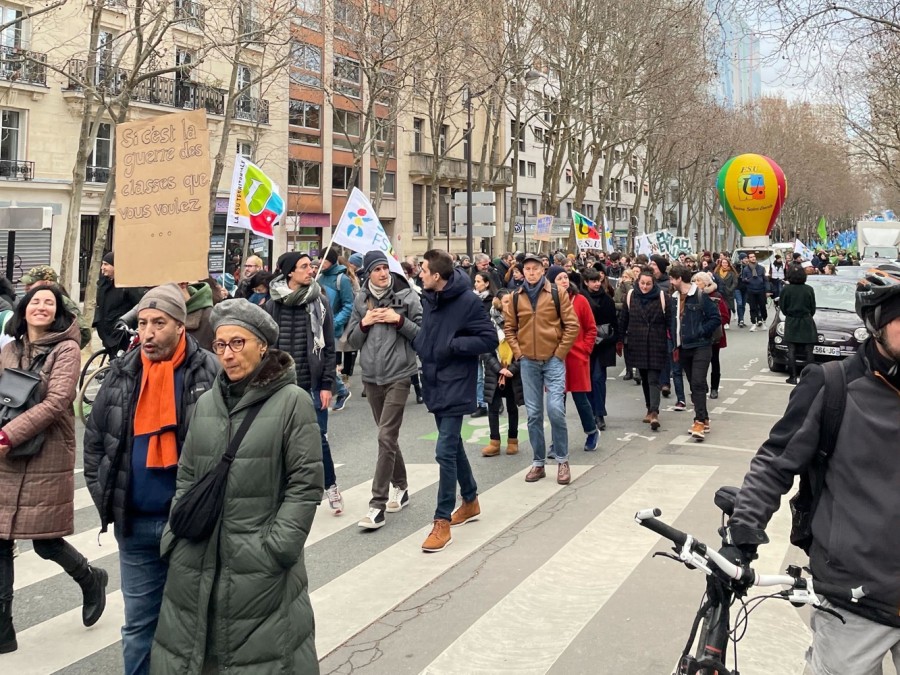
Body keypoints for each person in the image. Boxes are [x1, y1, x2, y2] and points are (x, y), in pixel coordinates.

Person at [721, 265, 900, 675]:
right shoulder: (832, 386)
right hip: (855, 600)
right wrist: (744, 533)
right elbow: (775, 461)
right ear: (876, 323)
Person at [150, 300, 323, 674]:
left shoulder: (292, 402)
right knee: (197, 655)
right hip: (196, 559)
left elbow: (306, 485)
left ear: (262, 346)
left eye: (238, 343)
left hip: (259, 566)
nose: (227, 355)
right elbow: (188, 475)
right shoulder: (207, 403)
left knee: (261, 659)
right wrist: (174, 535)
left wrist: (277, 548)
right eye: (220, 345)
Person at [83, 284, 219, 675]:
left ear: (181, 326)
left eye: (159, 322)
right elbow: (95, 445)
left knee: (194, 625)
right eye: (142, 323)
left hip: (190, 525)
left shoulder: (209, 371)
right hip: (135, 524)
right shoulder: (122, 372)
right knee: (139, 626)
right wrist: (106, 498)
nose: (148, 332)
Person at [0, 286, 109, 654]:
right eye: (35, 301)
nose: (41, 307)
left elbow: (58, 401)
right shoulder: (9, 349)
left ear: (58, 311)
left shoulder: (67, 349)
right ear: (24, 309)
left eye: (49, 302)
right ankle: (3, 629)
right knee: (0, 538)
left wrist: (8, 434)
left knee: (45, 541)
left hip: (45, 450)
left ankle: (91, 578)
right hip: (6, 451)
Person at [413, 249, 497, 552]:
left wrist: (454, 345)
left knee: (444, 450)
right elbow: (428, 335)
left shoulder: (468, 302)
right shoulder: (430, 297)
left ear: (437, 275)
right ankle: (471, 499)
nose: (420, 273)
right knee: (453, 446)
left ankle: (442, 520)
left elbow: (489, 339)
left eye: (423, 269)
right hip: (435, 380)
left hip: (457, 383)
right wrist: (423, 344)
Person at [345, 251, 423, 530]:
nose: (382, 273)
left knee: (385, 436)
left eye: (385, 268)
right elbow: (352, 340)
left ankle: (376, 505)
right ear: (368, 273)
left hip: (400, 374)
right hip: (371, 377)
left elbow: (422, 334)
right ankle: (401, 487)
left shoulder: (408, 296)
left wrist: (397, 319)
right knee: (386, 437)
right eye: (376, 269)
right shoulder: (360, 299)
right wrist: (365, 323)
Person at [266, 252, 343, 516]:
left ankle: (330, 485)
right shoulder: (272, 304)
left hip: (311, 383)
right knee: (279, 442)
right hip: (280, 385)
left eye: (310, 265)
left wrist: (326, 385)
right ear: (289, 273)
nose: (310, 270)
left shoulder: (319, 302)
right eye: (304, 266)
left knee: (318, 439)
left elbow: (329, 347)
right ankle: (285, 495)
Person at [503, 254, 579, 485]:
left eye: (535, 268)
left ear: (543, 270)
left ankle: (562, 460)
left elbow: (572, 325)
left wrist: (560, 353)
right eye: (527, 269)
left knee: (556, 409)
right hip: (528, 361)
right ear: (523, 272)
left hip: (553, 359)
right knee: (534, 414)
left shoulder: (557, 293)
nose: (531, 272)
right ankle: (538, 463)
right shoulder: (515, 297)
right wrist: (519, 353)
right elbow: (509, 329)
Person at [548, 266, 600, 451]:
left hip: (577, 357)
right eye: (559, 278)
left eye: (565, 277)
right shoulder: (547, 301)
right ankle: (557, 442)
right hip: (554, 359)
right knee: (556, 403)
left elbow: (591, 328)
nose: (564, 280)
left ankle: (592, 431)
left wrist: (585, 349)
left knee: (581, 400)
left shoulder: (580, 301)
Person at [669, 265, 722, 440]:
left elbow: (715, 318)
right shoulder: (674, 299)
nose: (670, 282)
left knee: (698, 382)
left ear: (678, 279)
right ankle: (705, 418)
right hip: (683, 347)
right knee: (693, 383)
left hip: (701, 346)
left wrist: (701, 331)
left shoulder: (700, 296)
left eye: (672, 279)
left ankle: (698, 421)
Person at [617, 268, 669, 430]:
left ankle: (654, 412)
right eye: (642, 283)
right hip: (637, 342)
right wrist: (619, 341)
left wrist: (673, 343)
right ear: (637, 283)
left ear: (653, 284)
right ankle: (648, 407)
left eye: (648, 284)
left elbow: (670, 322)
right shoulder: (631, 296)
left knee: (653, 378)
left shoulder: (662, 297)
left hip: (656, 342)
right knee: (645, 378)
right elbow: (623, 320)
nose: (645, 287)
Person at [481, 290, 524, 457]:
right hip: (494, 370)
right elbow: (484, 349)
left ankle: (513, 440)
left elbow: (525, 348)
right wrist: (498, 368)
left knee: (512, 407)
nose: (509, 305)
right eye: (505, 301)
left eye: (511, 301)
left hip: (513, 370)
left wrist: (511, 369)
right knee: (493, 407)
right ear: (497, 302)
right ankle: (494, 442)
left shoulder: (519, 322)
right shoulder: (488, 323)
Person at [19, 265, 92, 348]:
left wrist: (64, 349)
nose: (26, 288)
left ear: (47, 283)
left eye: (31, 283)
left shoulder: (62, 301)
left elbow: (85, 332)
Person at [319, 248, 355, 412]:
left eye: (324, 259)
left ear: (332, 261)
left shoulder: (342, 279)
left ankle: (341, 391)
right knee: (320, 362)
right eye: (320, 259)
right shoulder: (319, 277)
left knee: (325, 362)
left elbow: (349, 305)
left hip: (332, 329)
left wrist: (335, 323)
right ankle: (339, 390)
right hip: (318, 325)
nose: (321, 262)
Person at [583, 267, 618, 430]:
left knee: (598, 378)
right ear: (586, 282)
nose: (597, 284)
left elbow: (614, 323)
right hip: (585, 345)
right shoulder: (581, 299)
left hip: (603, 344)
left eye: (599, 281)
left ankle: (599, 413)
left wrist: (612, 339)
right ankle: (590, 411)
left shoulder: (607, 300)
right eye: (593, 281)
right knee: (587, 380)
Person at [94, 253, 146, 353]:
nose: (102, 267)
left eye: (106, 264)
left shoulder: (127, 285)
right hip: (107, 333)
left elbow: (139, 305)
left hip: (121, 335)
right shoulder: (103, 284)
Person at [693, 272, 730, 400]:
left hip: (714, 335)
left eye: (698, 281)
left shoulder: (716, 296)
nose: (696, 283)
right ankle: (703, 386)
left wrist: (710, 326)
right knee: (700, 362)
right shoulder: (693, 296)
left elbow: (724, 316)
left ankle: (714, 388)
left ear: (706, 283)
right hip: (699, 335)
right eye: (695, 280)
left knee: (714, 361)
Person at [779, 264, 817, 385]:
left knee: (791, 350)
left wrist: (790, 314)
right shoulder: (809, 289)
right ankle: (809, 377)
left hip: (792, 320)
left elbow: (783, 307)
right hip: (806, 320)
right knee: (809, 351)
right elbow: (813, 308)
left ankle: (793, 377)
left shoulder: (786, 289)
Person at [614, 268, 640, 385]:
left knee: (636, 346)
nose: (624, 280)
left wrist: (629, 286)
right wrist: (623, 305)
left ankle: (638, 370)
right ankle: (629, 370)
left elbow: (634, 302)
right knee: (626, 346)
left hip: (634, 320)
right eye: (623, 277)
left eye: (627, 278)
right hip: (623, 319)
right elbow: (615, 303)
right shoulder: (618, 290)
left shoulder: (635, 289)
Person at [741, 252, 768, 330]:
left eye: (754, 256)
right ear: (748, 259)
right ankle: (753, 323)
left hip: (761, 290)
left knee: (762, 306)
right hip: (751, 290)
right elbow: (743, 279)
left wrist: (767, 290)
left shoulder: (761, 268)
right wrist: (747, 280)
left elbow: (765, 280)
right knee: (752, 307)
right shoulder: (746, 269)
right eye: (751, 257)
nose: (753, 258)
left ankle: (763, 320)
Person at [714, 258, 739, 326]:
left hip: (728, 292)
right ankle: (722, 321)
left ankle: (727, 322)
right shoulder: (717, 272)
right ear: (721, 263)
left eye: (726, 263)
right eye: (723, 263)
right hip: (720, 292)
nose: (724, 264)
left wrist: (730, 289)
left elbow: (735, 282)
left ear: (728, 264)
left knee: (728, 308)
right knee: (720, 307)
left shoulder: (732, 273)